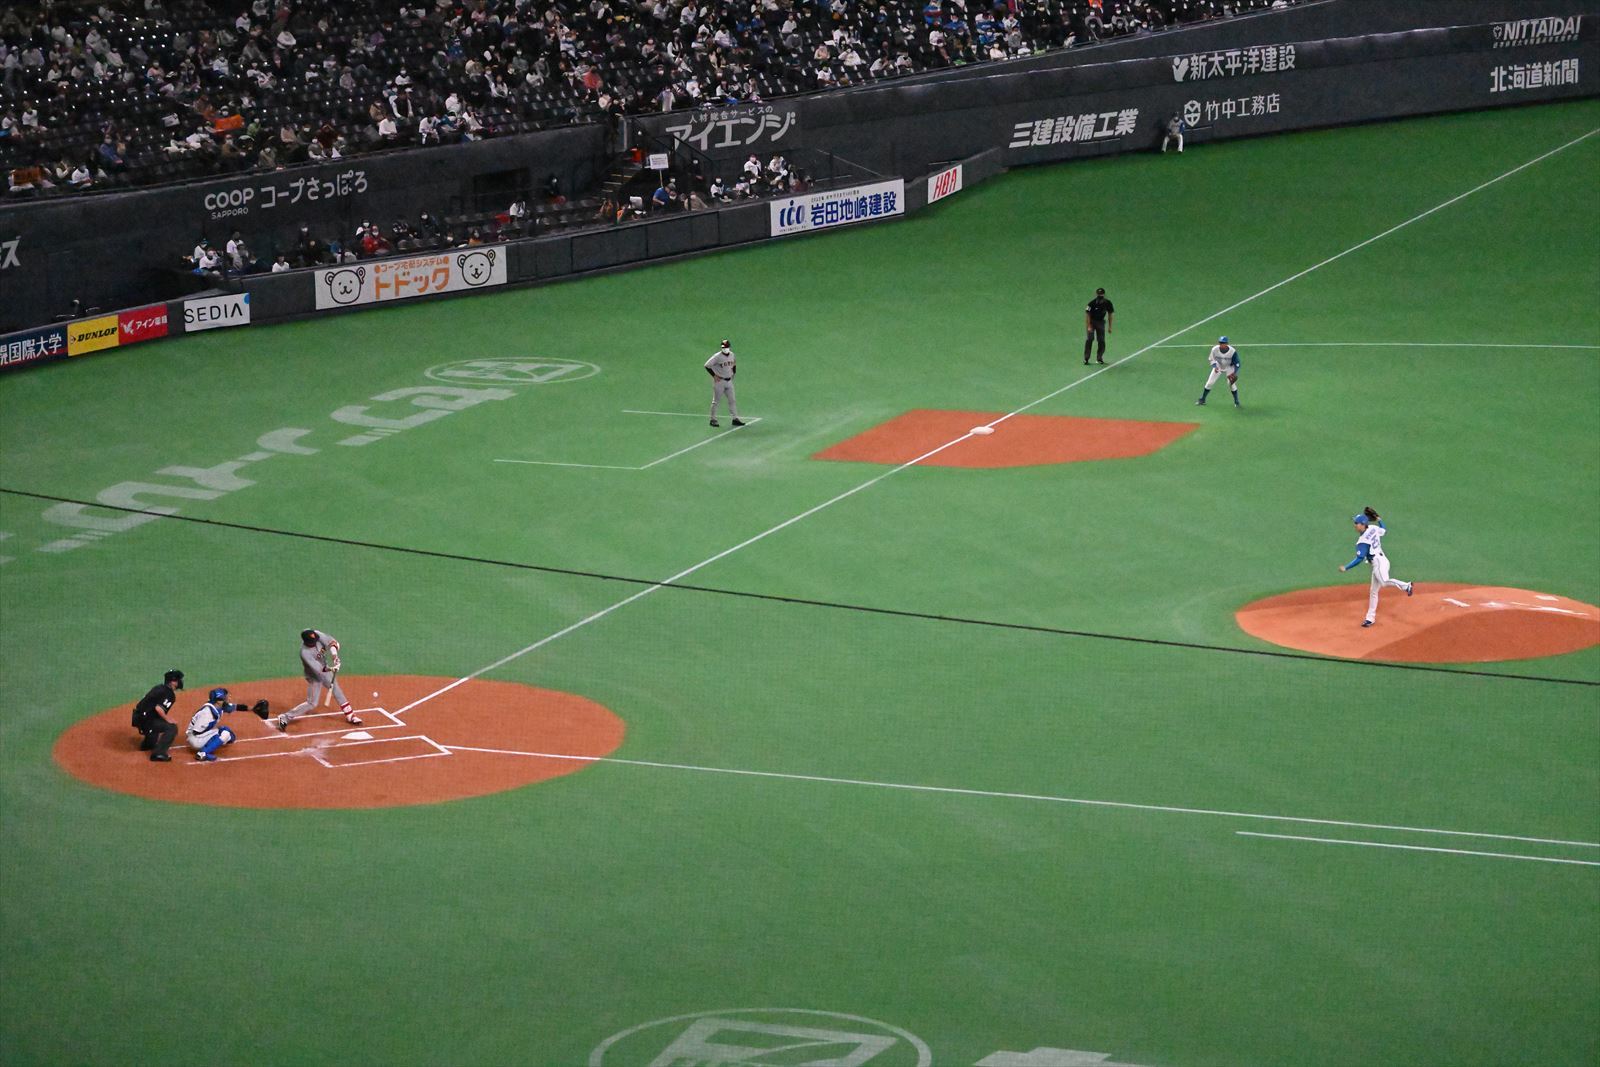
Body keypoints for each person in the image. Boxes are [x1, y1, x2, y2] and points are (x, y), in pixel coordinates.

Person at [1338, 507, 1415, 627]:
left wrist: (1346, 567)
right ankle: (1370, 618)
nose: (1354, 525)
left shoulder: (1362, 542)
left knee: (1384, 582)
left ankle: (1406, 586)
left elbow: (1359, 558)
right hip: (1381, 560)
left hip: (1378, 562)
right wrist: (1379, 519)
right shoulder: (1373, 528)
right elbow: (1383, 530)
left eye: (1356, 523)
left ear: (1363, 525)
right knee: (1373, 591)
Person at [274, 628, 361, 730]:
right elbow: (319, 669)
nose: (316, 643)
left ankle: (350, 715)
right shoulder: (305, 653)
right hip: (314, 676)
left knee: (336, 689)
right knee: (312, 703)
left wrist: (335, 656)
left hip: (325, 669)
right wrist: (332, 668)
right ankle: (285, 717)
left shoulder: (316, 635)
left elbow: (332, 643)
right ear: (307, 642)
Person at [186, 687, 268, 762]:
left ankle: (210, 744)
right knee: (224, 733)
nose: (228, 699)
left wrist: (253, 709)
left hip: (199, 736)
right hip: (195, 739)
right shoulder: (207, 713)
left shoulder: (218, 706)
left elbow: (237, 707)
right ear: (218, 700)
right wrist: (214, 734)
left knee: (230, 736)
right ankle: (202, 753)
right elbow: (196, 731)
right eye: (225, 698)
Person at [131, 669, 184, 762]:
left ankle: (147, 745)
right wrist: (168, 719)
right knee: (171, 728)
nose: (180, 682)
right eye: (178, 680)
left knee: (156, 723)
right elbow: (159, 709)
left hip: (138, 717)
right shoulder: (169, 694)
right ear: (172, 682)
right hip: (145, 720)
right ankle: (159, 753)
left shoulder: (159, 687)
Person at [705, 339, 745, 428]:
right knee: (716, 401)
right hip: (720, 382)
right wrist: (714, 375)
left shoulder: (732, 355)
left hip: (729, 381)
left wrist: (734, 372)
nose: (725, 349)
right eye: (723, 347)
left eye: (726, 347)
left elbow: (734, 364)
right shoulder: (717, 356)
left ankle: (735, 419)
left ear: (729, 347)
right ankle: (713, 419)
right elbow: (707, 365)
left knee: (732, 400)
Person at [1196, 335, 1240, 407]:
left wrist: (1234, 373)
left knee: (1231, 384)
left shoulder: (1232, 351)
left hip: (1230, 367)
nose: (1222, 344)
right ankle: (1202, 400)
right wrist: (1215, 367)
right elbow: (1211, 359)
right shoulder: (1214, 349)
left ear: (1227, 343)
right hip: (1218, 366)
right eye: (1221, 343)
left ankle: (1236, 402)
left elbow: (1237, 363)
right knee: (1209, 383)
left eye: (1223, 343)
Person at [1083, 287, 1113, 365]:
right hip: (1092, 322)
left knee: (1101, 340)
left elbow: (1110, 314)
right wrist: (1089, 325)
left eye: (1102, 294)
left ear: (1104, 294)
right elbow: (1088, 315)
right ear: (1096, 294)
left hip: (1100, 323)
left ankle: (1099, 358)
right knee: (1090, 339)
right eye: (1099, 294)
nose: (1100, 295)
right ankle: (1086, 358)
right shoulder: (1091, 303)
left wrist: (1110, 327)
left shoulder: (1108, 303)